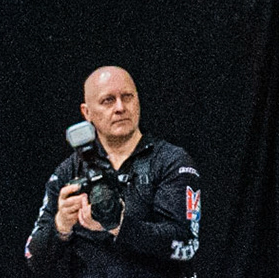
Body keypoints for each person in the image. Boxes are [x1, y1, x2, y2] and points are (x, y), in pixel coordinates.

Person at [25, 67, 201, 277]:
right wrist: (61, 226)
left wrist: (119, 226)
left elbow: (187, 247)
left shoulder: (170, 161)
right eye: (108, 100)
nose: (120, 107)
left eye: (127, 97)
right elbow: (33, 259)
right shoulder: (69, 172)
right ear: (86, 112)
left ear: (138, 101)